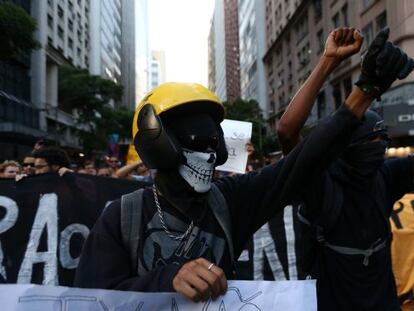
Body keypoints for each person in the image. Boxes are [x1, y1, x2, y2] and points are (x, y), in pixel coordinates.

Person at [74, 49, 377, 303]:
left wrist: (361, 96)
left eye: (212, 143)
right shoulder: (120, 217)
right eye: (195, 142)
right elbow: (90, 300)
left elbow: (298, 164)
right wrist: (166, 279)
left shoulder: (230, 201)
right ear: (156, 144)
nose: (208, 154)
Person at [277, 27, 414, 310]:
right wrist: (328, 61)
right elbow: (287, 132)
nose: (377, 148)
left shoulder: (384, 177)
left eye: (382, 140)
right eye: (368, 140)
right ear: (344, 146)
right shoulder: (320, 187)